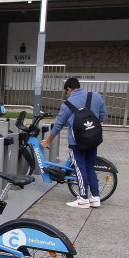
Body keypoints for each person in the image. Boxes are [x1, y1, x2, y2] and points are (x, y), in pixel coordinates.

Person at [41, 77, 107, 208]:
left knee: (80, 168)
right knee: (90, 167)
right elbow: (103, 116)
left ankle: (83, 198)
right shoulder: (96, 96)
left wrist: (48, 141)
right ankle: (95, 197)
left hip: (77, 142)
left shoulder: (67, 104)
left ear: (69, 89)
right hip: (93, 139)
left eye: (67, 91)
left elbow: (59, 124)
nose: (67, 94)